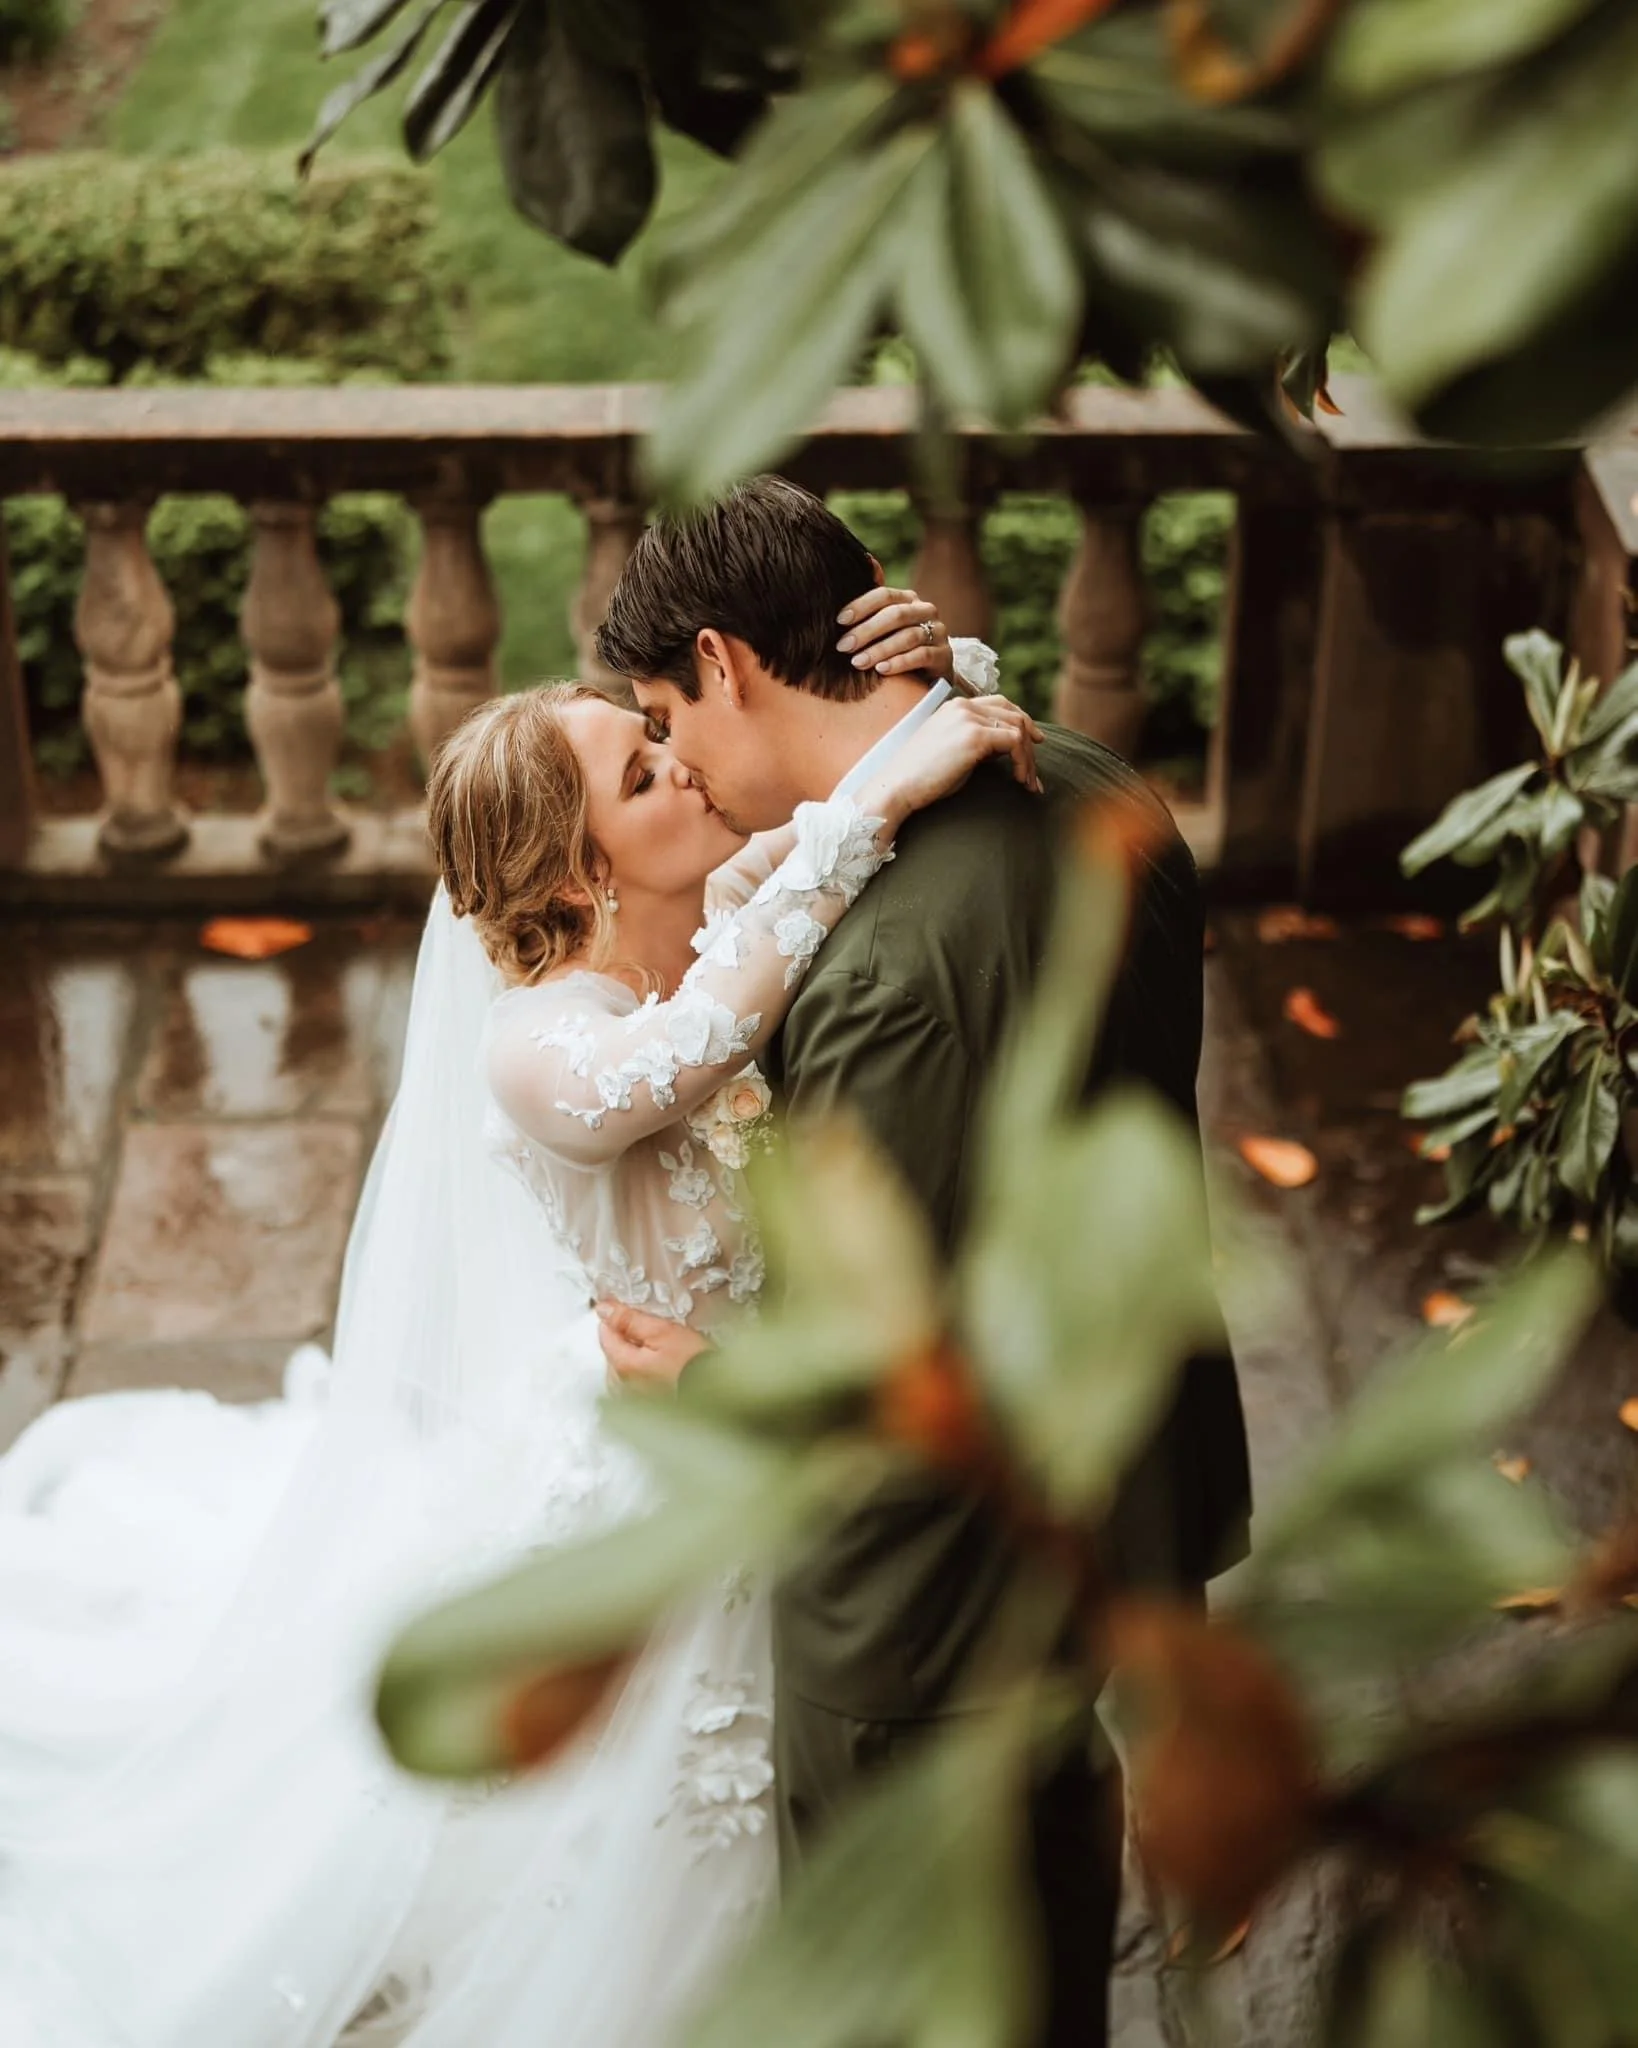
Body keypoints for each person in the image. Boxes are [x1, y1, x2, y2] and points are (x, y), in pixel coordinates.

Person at [0, 578, 1025, 2047]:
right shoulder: (540, 1050)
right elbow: (694, 1045)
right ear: (574, 879)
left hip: (748, 1419)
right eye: (640, 770)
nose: (683, 765)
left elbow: (815, 829)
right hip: (662, 1469)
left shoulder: (722, 909)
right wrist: (866, 812)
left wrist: (934, 683)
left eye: (656, 738)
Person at [592, 475, 1254, 2048]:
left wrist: (706, 1372)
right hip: (1107, 1487)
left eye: (660, 717)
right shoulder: (1098, 785)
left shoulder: (893, 973)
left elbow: (907, 1348)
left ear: (726, 659)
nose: (671, 761)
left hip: (925, 1608)